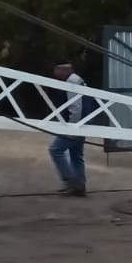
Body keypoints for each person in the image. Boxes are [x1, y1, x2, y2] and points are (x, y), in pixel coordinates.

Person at [48, 62, 87, 196]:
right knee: (76, 154)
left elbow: (75, 106)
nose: (54, 73)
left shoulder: (72, 82)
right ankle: (79, 186)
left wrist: (72, 128)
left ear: (64, 70)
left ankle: (72, 183)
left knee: (55, 150)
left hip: (75, 124)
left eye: (56, 70)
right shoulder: (77, 79)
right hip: (83, 123)